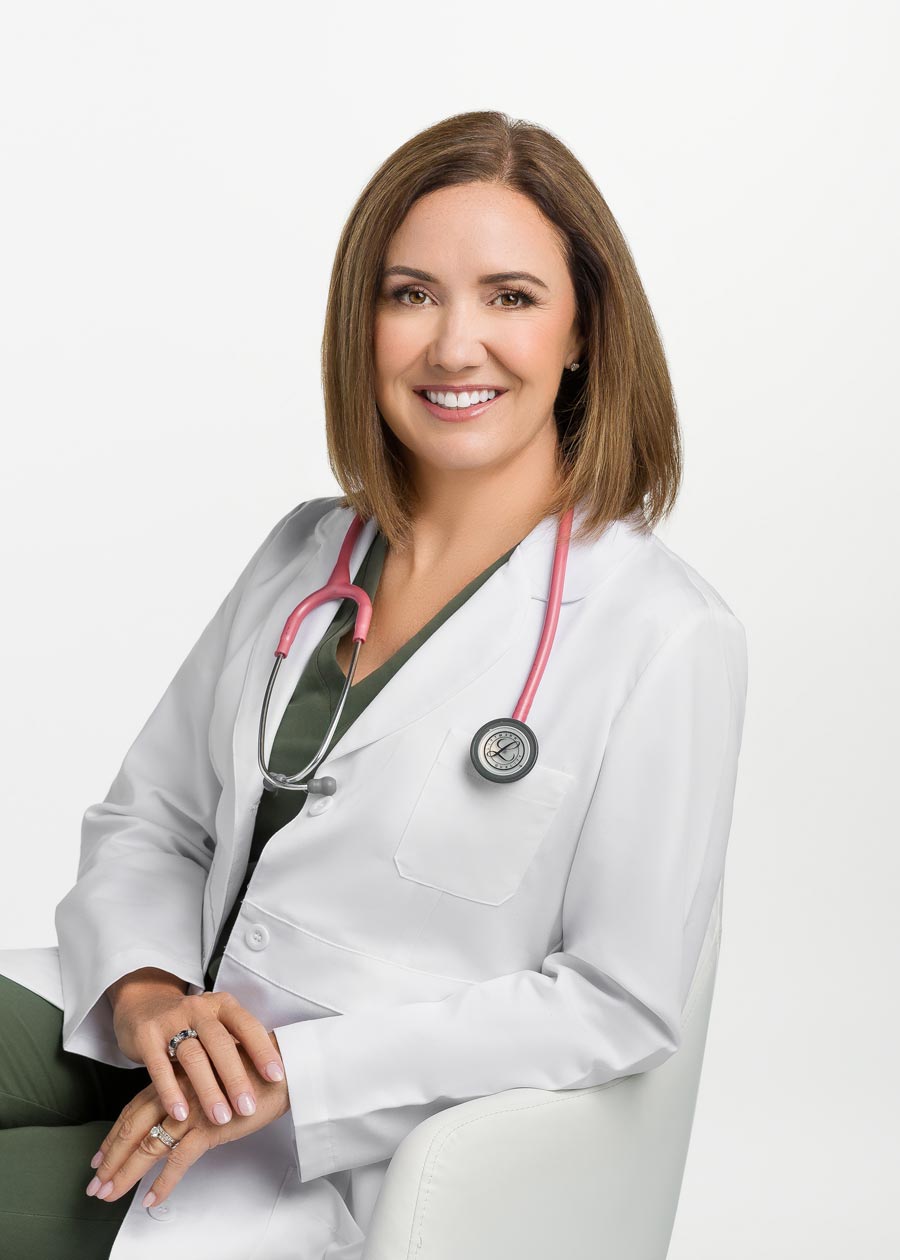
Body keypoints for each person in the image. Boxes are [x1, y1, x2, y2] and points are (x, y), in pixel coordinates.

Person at [0, 109, 749, 1259]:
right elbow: (152, 820)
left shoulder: (664, 634)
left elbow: (617, 1000)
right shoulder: (309, 552)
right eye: (410, 295)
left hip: (329, 1126)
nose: (455, 347)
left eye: (510, 296)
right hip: (155, 1018)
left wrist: (299, 1075)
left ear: (584, 328)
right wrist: (148, 994)